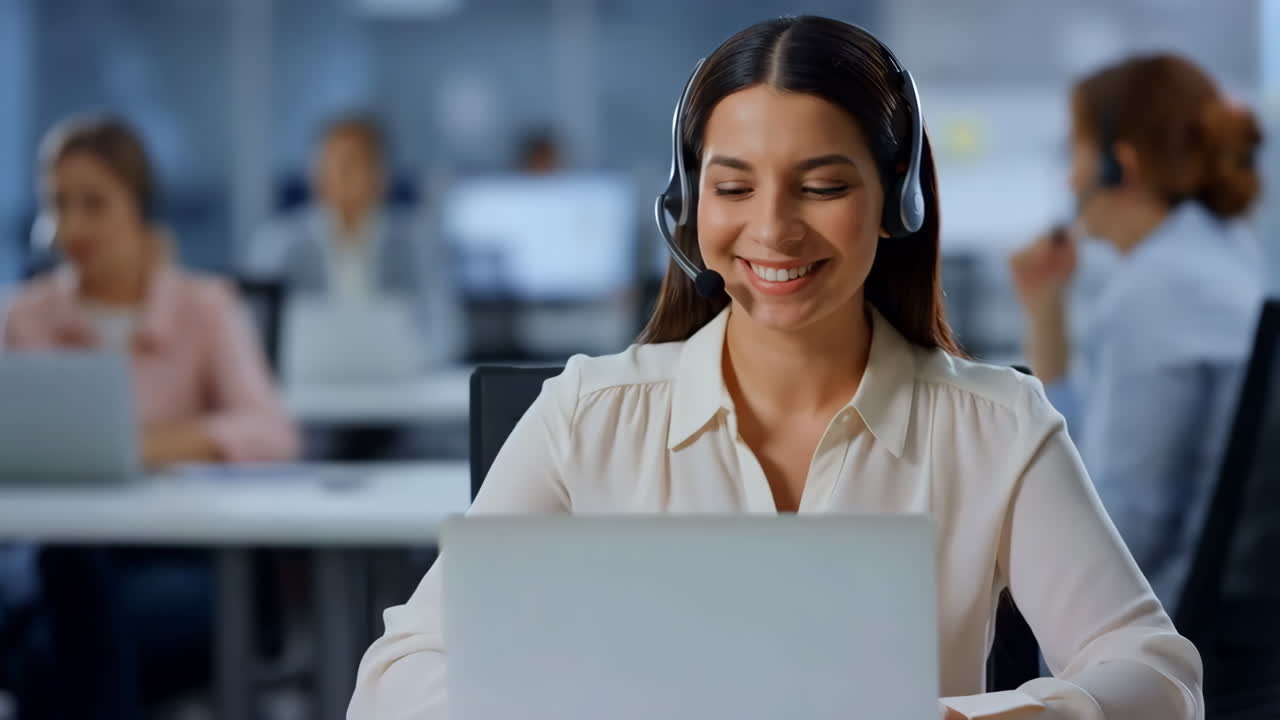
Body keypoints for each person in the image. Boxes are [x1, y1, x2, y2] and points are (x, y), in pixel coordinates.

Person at [351, 17, 1203, 719]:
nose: (773, 229)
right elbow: (398, 672)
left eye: (823, 186)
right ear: (687, 210)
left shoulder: (994, 426)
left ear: (895, 202)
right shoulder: (587, 418)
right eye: (733, 188)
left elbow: (1158, 675)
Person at [2, 115, 299, 719]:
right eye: (58, 203)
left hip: (174, 556)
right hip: (42, 555)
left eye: (94, 204)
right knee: (65, 575)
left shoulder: (203, 306)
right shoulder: (23, 315)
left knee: (47, 646)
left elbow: (272, 432)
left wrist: (143, 445)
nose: (72, 225)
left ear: (138, 208)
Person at [1010, 54, 1264, 612]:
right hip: (1240, 645)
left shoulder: (1156, 292)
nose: (1070, 177)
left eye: (1074, 152)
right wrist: (1045, 311)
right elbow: (1099, 466)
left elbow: (1123, 529)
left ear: (1116, 166)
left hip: (1158, 635)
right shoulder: (1226, 256)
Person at [245, 112, 462, 366]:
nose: (339, 175)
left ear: (380, 176)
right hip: (306, 383)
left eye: (352, 164)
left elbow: (446, 330)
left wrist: (414, 361)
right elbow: (255, 329)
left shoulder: (416, 242)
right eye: (329, 164)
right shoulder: (280, 243)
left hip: (400, 385)